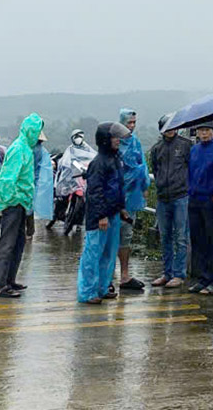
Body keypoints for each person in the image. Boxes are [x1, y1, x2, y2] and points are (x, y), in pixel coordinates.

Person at [0, 113, 45, 299]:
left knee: (19, 243)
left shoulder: (26, 149)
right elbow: (7, 179)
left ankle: (10, 280)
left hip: (22, 202)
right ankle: (0, 286)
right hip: (13, 203)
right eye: (37, 131)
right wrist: (10, 201)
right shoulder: (18, 149)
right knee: (7, 243)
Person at [77, 122, 130, 304]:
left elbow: (119, 186)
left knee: (109, 253)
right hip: (99, 217)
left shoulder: (115, 159)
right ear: (106, 140)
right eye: (115, 138)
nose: (118, 141)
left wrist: (122, 208)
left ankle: (102, 287)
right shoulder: (98, 163)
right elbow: (95, 191)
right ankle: (88, 292)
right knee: (93, 254)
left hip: (113, 214)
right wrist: (101, 215)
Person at [149, 114, 191, 288]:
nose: (171, 129)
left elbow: (191, 168)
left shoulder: (185, 145)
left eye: (174, 125)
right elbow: (155, 170)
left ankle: (179, 274)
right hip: (162, 197)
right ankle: (166, 273)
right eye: (167, 126)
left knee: (181, 237)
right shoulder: (156, 148)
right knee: (165, 236)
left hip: (181, 196)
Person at [187, 121, 213, 295]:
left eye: (207, 130)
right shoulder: (194, 150)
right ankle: (202, 279)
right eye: (201, 130)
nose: (203, 133)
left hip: (210, 200)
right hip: (194, 199)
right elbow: (189, 173)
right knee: (198, 240)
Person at [117, 108, 150, 291]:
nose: (131, 126)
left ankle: (124, 274)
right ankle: (107, 276)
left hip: (132, 197)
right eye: (129, 123)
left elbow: (142, 165)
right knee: (112, 236)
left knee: (126, 236)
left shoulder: (135, 143)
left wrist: (144, 186)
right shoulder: (113, 142)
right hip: (115, 196)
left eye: (134, 123)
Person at [49, 129, 98, 228]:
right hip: (70, 177)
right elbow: (65, 162)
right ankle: (57, 214)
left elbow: (94, 158)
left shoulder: (87, 149)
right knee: (62, 196)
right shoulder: (70, 150)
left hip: (81, 176)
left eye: (80, 137)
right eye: (76, 137)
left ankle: (79, 221)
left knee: (85, 198)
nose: (78, 139)